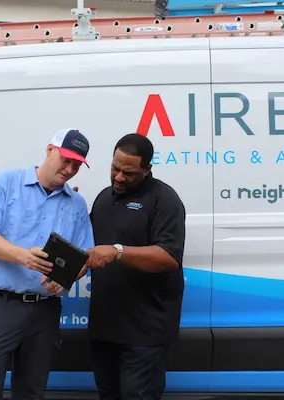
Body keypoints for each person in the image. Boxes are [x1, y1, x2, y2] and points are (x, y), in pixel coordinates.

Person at [0, 128, 95, 400]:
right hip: (0, 306)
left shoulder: (77, 204)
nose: (70, 169)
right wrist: (24, 256)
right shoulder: (6, 182)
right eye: (66, 159)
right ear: (50, 150)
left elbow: (84, 256)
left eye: (77, 165)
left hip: (45, 312)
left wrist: (68, 276)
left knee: (32, 393)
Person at [85, 133, 186, 400]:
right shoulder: (103, 199)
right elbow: (88, 251)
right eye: (115, 168)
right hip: (104, 329)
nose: (118, 177)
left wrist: (118, 251)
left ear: (147, 169)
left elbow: (168, 256)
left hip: (144, 335)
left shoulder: (164, 200)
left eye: (128, 173)